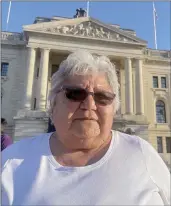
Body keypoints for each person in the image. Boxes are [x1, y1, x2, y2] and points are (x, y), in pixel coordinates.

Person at [1, 50, 170, 205]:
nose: (89, 105)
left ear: (114, 108)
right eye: (75, 94)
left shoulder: (142, 154)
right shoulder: (11, 163)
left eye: (102, 97)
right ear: (53, 104)